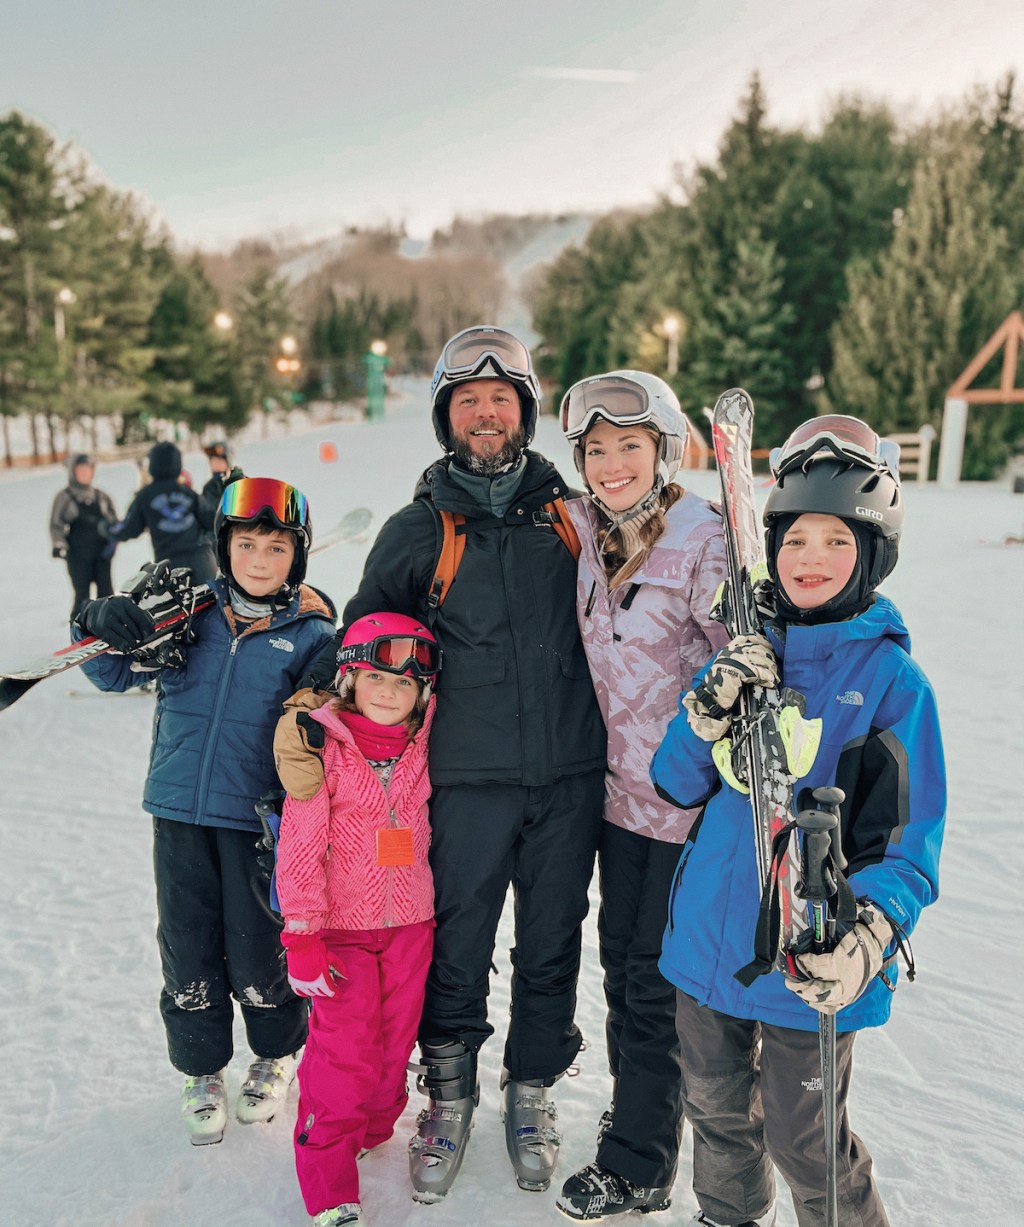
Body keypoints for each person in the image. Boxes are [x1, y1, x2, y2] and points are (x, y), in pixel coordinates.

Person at [277, 326, 606, 1202]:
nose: (487, 413)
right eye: (469, 401)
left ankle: (530, 1088)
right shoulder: (419, 529)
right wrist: (307, 706)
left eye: (502, 399)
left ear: (525, 412)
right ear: (446, 417)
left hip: (572, 773)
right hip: (461, 782)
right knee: (456, 944)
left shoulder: (573, 516)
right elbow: (362, 636)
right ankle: (450, 1091)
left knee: (551, 944)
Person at [650, 416, 946, 1227]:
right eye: (796, 540)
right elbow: (673, 784)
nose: (811, 559)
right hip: (708, 942)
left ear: (872, 554)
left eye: (836, 542)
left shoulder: (892, 682)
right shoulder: (742, 653)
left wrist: (870, 937)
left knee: (804, 1138)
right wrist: (706, 707)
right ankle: (730, 1215)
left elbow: (909, 845)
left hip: (811, 953)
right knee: (714, 1111)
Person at [72, 477, 336, 1145]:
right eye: (245, 543)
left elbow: (326, 726)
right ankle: (200, 1069)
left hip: (256, 822)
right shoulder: (187, 612)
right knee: (187, 947)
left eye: (275, 547)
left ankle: (274, 1053)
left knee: (257, 954)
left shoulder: (308, 632)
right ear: (223, 546)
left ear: (296, 557)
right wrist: (101, 619)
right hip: (179, 811)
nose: (257, 560)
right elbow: (110, 674)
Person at [552, 372, 730, 1221]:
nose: (612, 462)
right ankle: (640, 1109)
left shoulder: (703, 537)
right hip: (617, 802)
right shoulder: (586, 530)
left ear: (665, 451)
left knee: (657, 984)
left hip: (686, 808)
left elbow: (741, 662)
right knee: (622, 970)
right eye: (596, 449)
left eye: (630, 445)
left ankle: (641, 1162)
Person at [274, 613, 441, 1227]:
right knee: (343, 1053)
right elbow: (298, 848)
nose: (388, 693)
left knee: (394, 1040)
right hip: (339, 928)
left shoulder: (422, 743)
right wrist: (302, 933)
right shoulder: (323, 751)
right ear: (348, 680)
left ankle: (371, 1127)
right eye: (374, 677)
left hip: (410, 925)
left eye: (404, 684)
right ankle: (329, 1181)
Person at [106, 441, 218, 582]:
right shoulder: (189, 493)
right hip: (202, 561)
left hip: (171, 566)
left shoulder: (145, 496)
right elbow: (211, 520)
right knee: (211, 602)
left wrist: (107, 528)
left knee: (181, 604)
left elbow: (129, 529)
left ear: (153, 465)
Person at [48, 453, 119, 619]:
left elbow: (114, 523)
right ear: (73, 472)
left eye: (88, 470)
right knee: (82, 596)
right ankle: (79, 631)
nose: (85, 473)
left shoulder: (101, 497)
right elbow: (56, 525)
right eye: (80, 470)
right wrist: (59, 545)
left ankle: (109, 627)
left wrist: (112, 543)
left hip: (102, 555)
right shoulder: (65, 497)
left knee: (106, 595)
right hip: (78, 557)